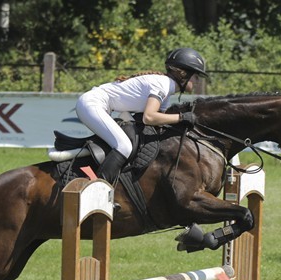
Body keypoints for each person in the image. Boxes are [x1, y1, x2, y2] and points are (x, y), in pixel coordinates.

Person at [75, 47, 208, 183]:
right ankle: (98, 189)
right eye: (196, 76)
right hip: (92, 103)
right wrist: (181, 118)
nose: (198, 81)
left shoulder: (167, 89)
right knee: (124, 146)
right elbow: (149, 117)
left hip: (100, 106)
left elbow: (158, 120)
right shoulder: (163, 84)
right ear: (183, 74)